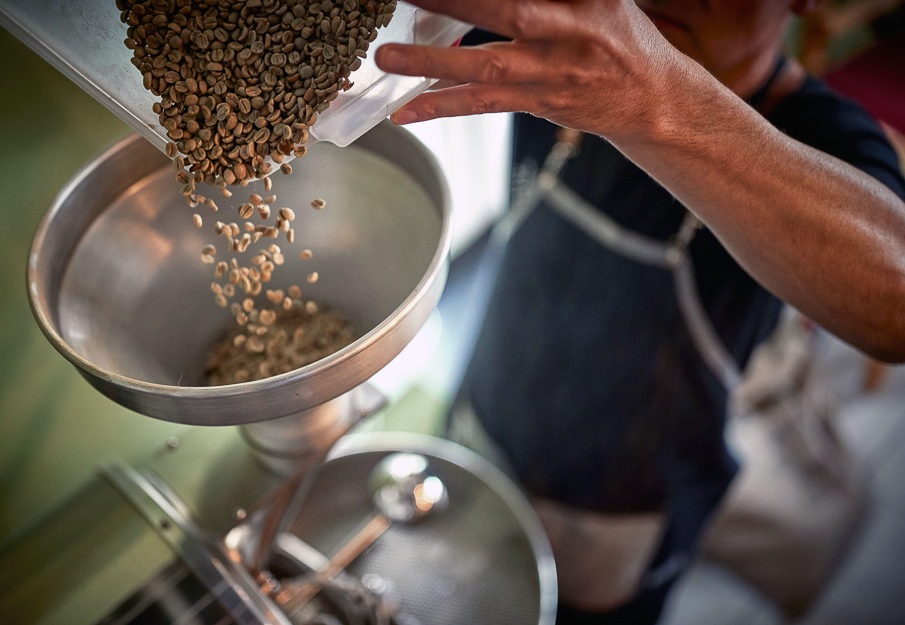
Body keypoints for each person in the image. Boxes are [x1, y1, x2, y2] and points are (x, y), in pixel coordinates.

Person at [375, 1, 905, 623]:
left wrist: (656, 101)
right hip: (485, 419)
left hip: (620, 523)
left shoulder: (819, 133)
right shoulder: (562, 50)